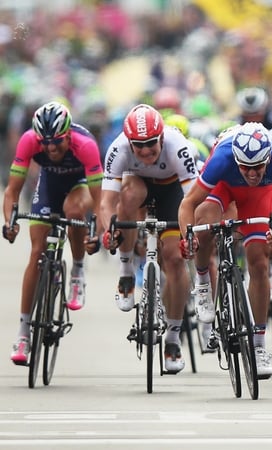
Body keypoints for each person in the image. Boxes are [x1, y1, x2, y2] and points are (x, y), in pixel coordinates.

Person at [178, 122, 272, 379]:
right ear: (236, 160)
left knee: (259, 262)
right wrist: (189, 237)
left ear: (268, 159)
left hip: (258, 197)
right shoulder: (223, 157)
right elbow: (188, 203)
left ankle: (259, 345)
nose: (252, 173)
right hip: (223, 188)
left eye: (258, 167)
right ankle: (204, 281)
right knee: (204, 220)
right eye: (246, 168)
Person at [91, 103, 197, 374]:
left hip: (172, 192)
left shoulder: (178, 146)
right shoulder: (118, 149)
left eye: (152, 143)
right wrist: (109, 231)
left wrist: (190, 235)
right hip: (137, 187)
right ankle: (126, 271)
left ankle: (173, 339)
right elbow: (107, 203)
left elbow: (193, 200)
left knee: (174, 261)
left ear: (161, 137)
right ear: (129, 142)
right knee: (128, 195)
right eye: (139, 146)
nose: (147, 150)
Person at [3, 101, 102, 365]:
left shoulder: (86, 145)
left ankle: (78, 270)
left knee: (73, 210)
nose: (50, 148)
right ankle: (23, 333)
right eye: (44, 143)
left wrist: (99, 230)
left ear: (69, 134)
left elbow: (100, 198)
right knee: (37, 253)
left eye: (57, 141)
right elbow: (12, 190)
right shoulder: (28, 141)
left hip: (80, 185)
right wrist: (10, 222)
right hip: (49, 185)